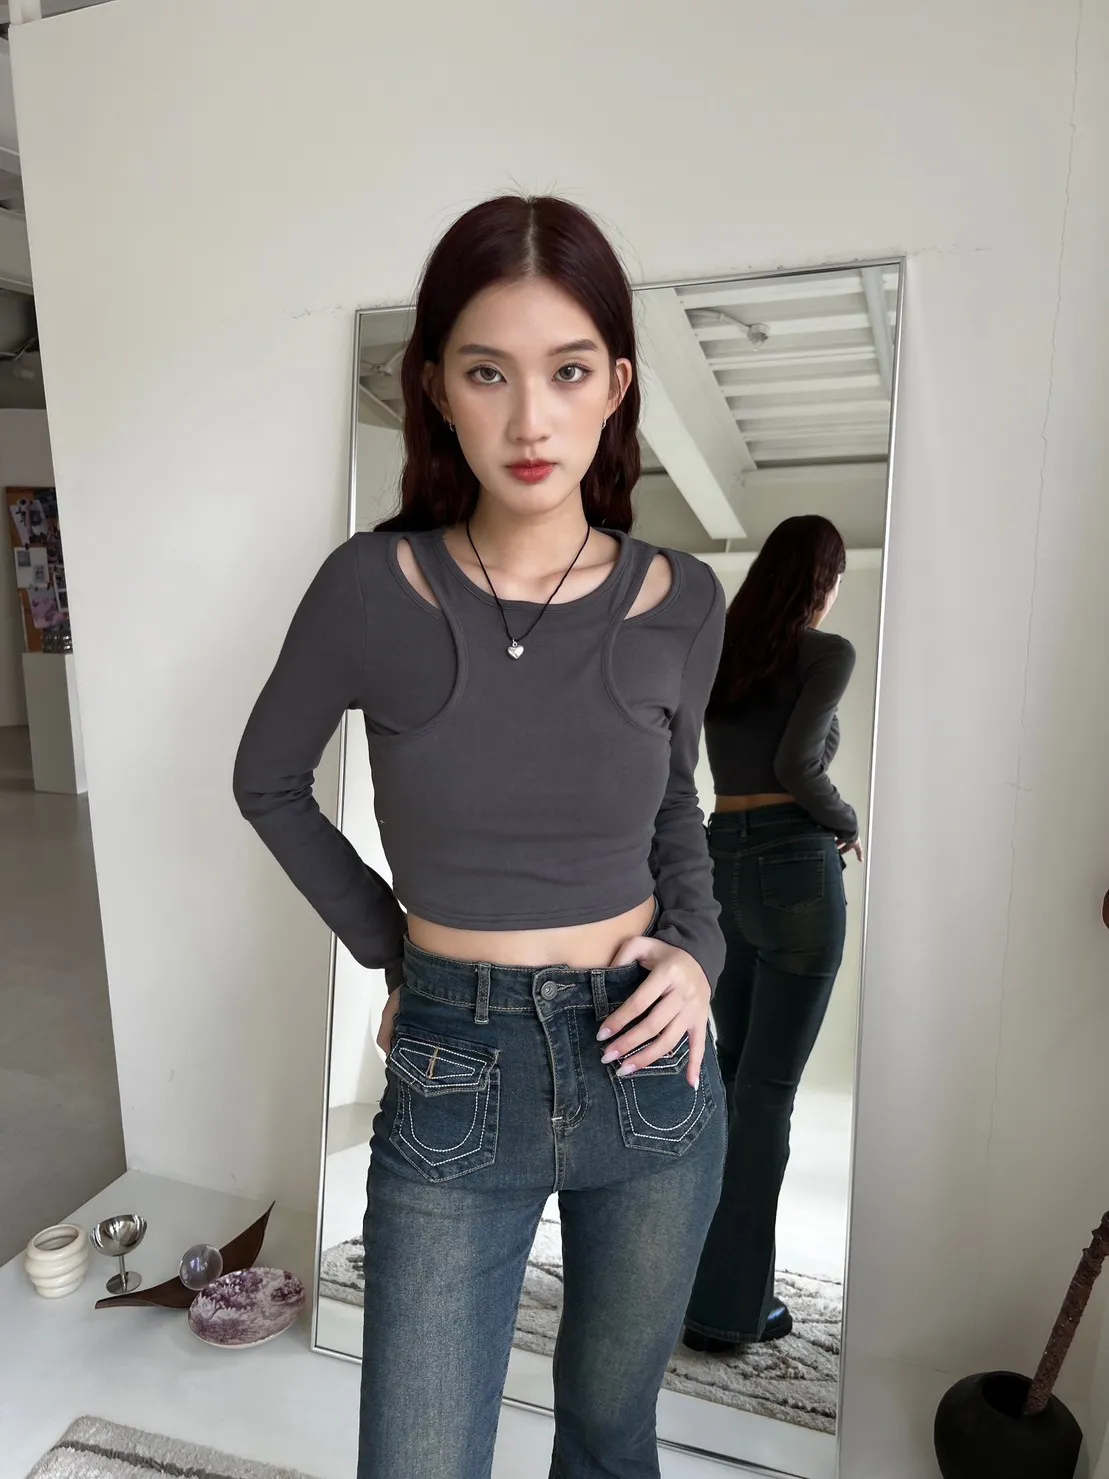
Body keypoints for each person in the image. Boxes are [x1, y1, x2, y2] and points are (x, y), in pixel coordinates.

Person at [233, 195, 728, 1479]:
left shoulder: (683, 600)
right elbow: (267, 781)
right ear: (435, 390)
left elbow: (675, 804)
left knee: (609, 1440)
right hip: (454, 1063)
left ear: (615, 385)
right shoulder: (368, 589)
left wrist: (697, 952)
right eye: (487, 373)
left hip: (648, 1066)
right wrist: (397, 953)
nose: (530, 422)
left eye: (566, 371)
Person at [681, 515, 860, 1355]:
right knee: (765, 1095)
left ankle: (705, 1283)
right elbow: (798, 766)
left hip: (722, 860)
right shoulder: (825, 653)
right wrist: (846, 821)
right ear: (823, 579)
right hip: (794, 865)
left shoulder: (724, 651)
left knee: (729, 1082)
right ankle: (727, 1310)